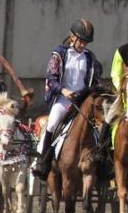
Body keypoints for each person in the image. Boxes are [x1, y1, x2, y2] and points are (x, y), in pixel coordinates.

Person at [31, 19, 102, 180]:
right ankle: (42, 160)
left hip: (83, 101)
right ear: (72, 37)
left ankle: (102, 162)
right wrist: (64, 91)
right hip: (63, 99)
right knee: (53, 122)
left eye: (86, 42)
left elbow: (94, 80)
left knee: (98, 126)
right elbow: (52, 78)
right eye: (81, 41)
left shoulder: (90, 57)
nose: (83, 45)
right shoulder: (60, 53)